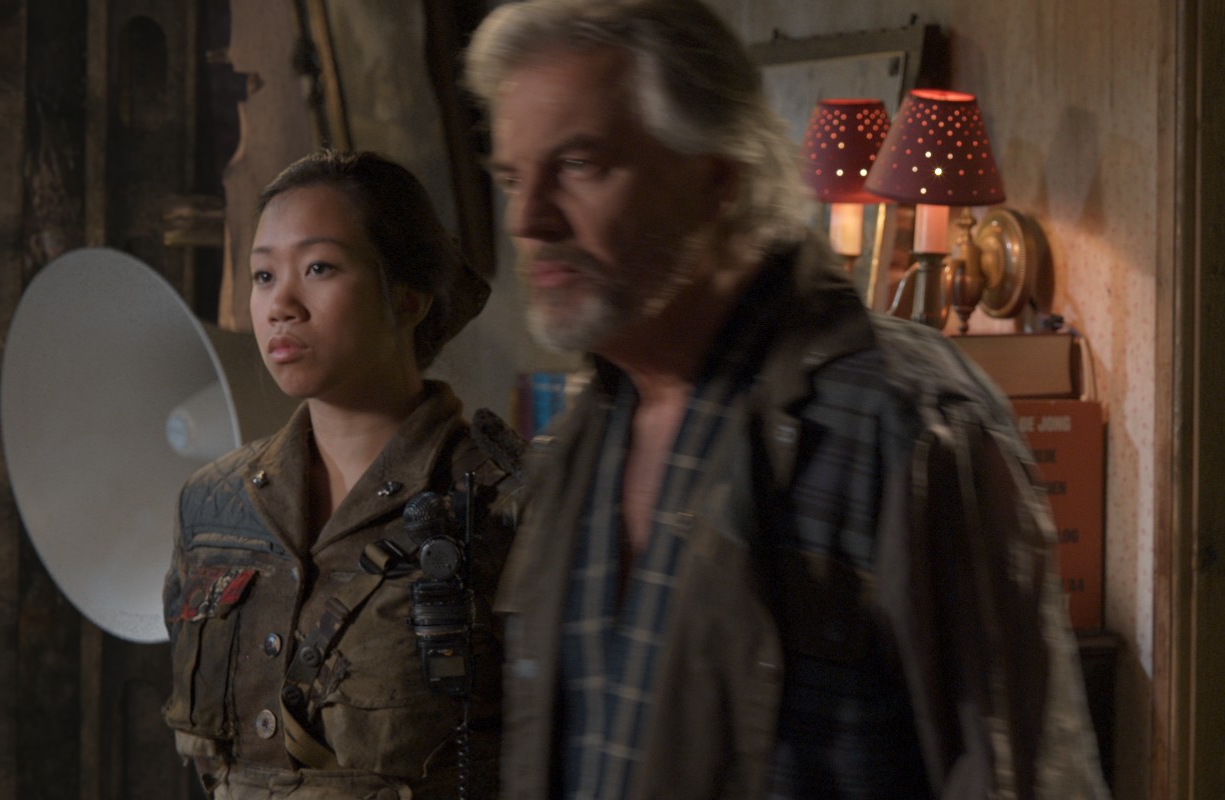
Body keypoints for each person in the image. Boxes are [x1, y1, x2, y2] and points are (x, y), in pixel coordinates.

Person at [463, 1, 1109, 798]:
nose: (528, 219)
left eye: (579, 165)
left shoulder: (901, 422)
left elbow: (1019, 777)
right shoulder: (580, 439)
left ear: (716, 181)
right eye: (511, 178)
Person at [161, 150, 522, 799]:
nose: (280, 304)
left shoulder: (500, 502)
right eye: (263, 275)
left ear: (408, 297)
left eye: (319, 267)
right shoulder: (213, 508)